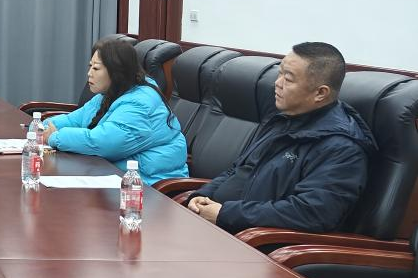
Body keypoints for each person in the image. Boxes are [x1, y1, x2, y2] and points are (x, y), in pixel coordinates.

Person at [188, 42, 374, 234]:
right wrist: (203, 196)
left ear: (320, 93)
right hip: (222, 227)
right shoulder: (284, 120)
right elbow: (238, 169)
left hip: (256, 241)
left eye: (289, 79)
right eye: (280, 73)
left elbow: (312, 213)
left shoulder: (342, 148)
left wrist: (226, 214)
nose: (277, 83)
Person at [44, 38, 189, 183]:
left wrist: (56, 137)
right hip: (115, 176)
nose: (89, 73)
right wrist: (41, 128)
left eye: (96, 68)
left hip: (149, 185)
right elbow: (73, 120)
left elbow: (102, 143)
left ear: (116, 71)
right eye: (90, 66)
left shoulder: (140, 104)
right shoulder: (109, 94)